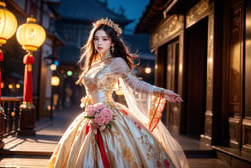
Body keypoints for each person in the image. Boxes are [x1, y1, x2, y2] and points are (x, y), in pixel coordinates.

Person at [47, 18, 189, 168]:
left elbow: (135, 84)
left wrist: (162, 92)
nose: (99, 43)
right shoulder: (94, 64)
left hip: (110, 115)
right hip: (88, 115)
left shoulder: (117, 62)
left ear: (113, 42)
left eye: (104, 39)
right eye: (96, 39)